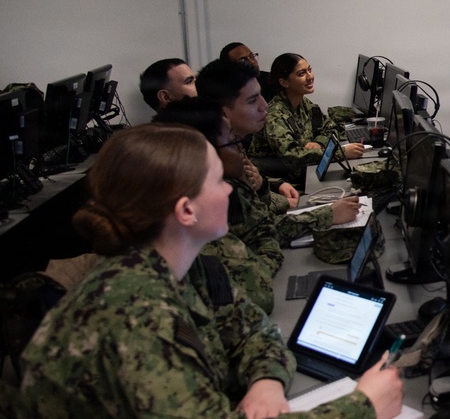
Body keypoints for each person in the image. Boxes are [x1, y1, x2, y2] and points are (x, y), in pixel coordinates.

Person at [7, 124, 403, 419]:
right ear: (186, 211)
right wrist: (363, 407)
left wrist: (265, 380)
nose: (231, 190)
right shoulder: (131, 314)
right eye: (218, 180)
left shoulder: (182, 267)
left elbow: (254, 331)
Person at [155, 98, 362, 280]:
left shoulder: (224, 181)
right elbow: (267, 239)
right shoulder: (209, 208)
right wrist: (327, 214)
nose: (264, 105)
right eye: (233, 142)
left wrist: (263, 186)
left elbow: (266, 217)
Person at [195, 58, 300, 210]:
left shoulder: (234, 143)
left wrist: (266, 185)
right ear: (222, 112)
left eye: (260, 95)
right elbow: (258, 228)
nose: (264, 105)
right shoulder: (217, 161)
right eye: (252, 101)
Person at [249, 53, 365, 186]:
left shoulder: (304, 104)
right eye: (301, 73)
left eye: (309, 70)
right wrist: (341, 153)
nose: (310, 77)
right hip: (278, 185)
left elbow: (331, 127)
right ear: (284, 82)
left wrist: (319, 143)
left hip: (303, 175)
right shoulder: (274, 115)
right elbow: (293, 156)